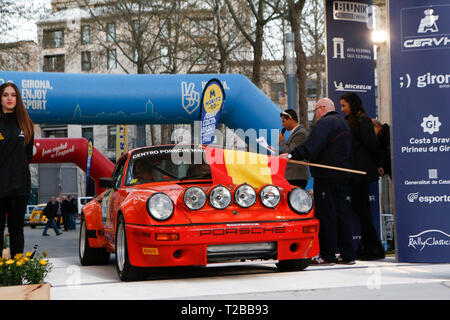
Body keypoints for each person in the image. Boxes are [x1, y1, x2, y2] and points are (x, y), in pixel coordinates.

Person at [280, 97, 355, 265]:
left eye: (316, 111)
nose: (316, 115)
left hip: (327, 175)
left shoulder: (325, 123)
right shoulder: (343, 123)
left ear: (322, 108)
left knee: (327, 215)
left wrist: (292, 155)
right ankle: (348, 254)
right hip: (342, 175)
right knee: (342, 214)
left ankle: (327, 254)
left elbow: (312, 145)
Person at [340, 92, 385, 260]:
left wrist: (379, 163)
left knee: (363, 211)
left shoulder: (362, 121)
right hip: (354, 172)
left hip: (361, 173)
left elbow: (372, 144)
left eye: (344, 105)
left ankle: (374, 246)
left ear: (352, 104)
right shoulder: (351, 122)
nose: (342, 109)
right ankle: (368, 246)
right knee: (361, 211)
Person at [0, 82, 35, 257]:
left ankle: (16, 272)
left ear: (17, 98)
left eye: (13, 95)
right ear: (0, 98)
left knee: (17, 231)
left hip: (19, 189)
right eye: (5, 95)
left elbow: (28, 155)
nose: (9, 98)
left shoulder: (26, 123)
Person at [278, 109, 310, 189]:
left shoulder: (300, 133)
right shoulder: (296, 133)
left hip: (296, 176)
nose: (283, 125)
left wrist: (282, 142)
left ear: (291, 119)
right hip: (292, 175)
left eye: (284, 121)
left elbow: (291, 153)